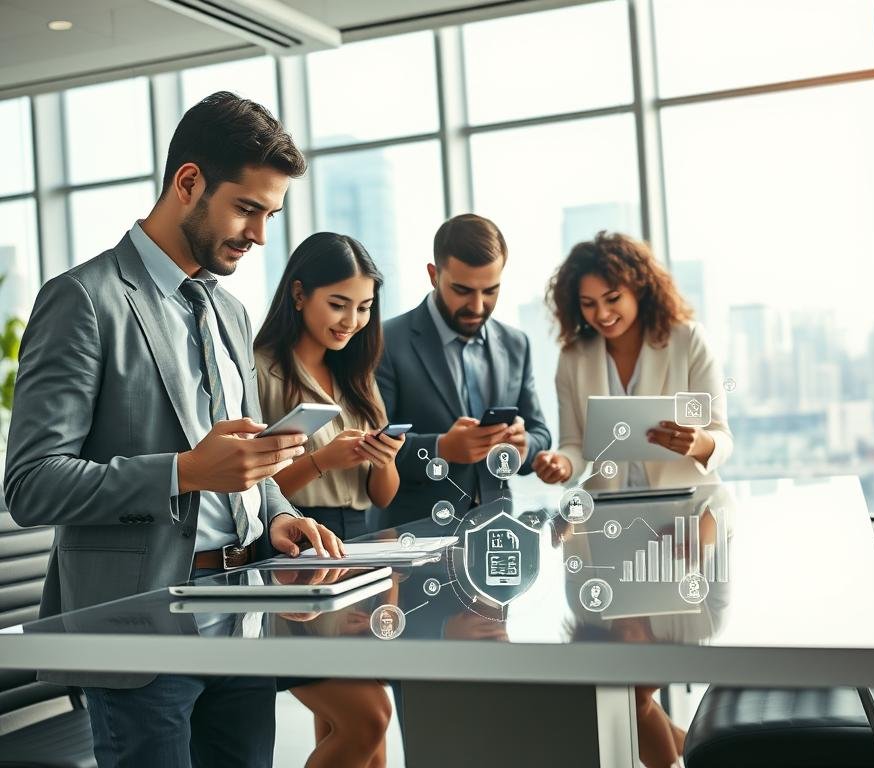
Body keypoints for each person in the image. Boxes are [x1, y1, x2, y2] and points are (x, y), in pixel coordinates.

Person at [3, 91, 344, 768]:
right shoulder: (84, 300)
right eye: (247, 208)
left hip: (241, 623)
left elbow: (245, 468)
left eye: (270, 214)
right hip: (140, 636)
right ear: (188, 183)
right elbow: (31, 485)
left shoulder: (232, 313)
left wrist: (275, 515)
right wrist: (184, 472)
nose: (259, 234)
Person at [255, 232, 400, 767]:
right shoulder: (263, 370)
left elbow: (381, 492)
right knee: (368, 717)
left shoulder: (354, 374)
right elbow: (254, 488)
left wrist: (382, 460)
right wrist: (321, 461)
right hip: (298, 553)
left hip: (359, 549)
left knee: (363, 738)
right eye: (338, 304)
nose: (351, 320)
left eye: (363, 307)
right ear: (299, 295)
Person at [374, 213, 551, 527]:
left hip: (498, 530)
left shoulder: (516, 344)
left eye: (491, 291)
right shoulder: (385, 343)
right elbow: (373, 446)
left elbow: (540, 433)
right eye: (463, 290)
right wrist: (442, 447)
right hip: (413, 536)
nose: (478, 306)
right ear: (433, 275)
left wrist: (524, 446)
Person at [533, 231, 733, 490]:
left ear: (638, 288)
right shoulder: (573, 357)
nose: (602, 314)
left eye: (613, 299)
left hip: (685, 507)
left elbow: (722, 438)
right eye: (588, 304)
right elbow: (574, 445)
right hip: (608, 514)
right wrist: (561, 463)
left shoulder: (688, 340)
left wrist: (700, 443)